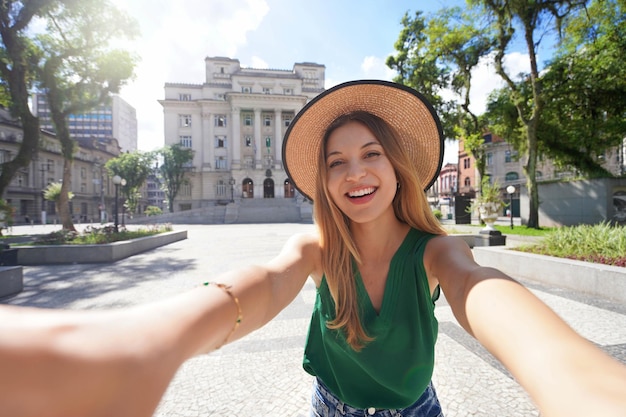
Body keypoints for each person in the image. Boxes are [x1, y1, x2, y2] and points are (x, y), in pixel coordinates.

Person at [1, 80, 626, 417]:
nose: (355, 174)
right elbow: (268, 280)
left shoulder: (435, 252)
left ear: (399, 166)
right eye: (336, 162)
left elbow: (479, 288)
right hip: (330, 409)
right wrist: (148, 338)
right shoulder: (316, 245)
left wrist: (576, 380)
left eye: (371, 155)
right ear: (322, 179)